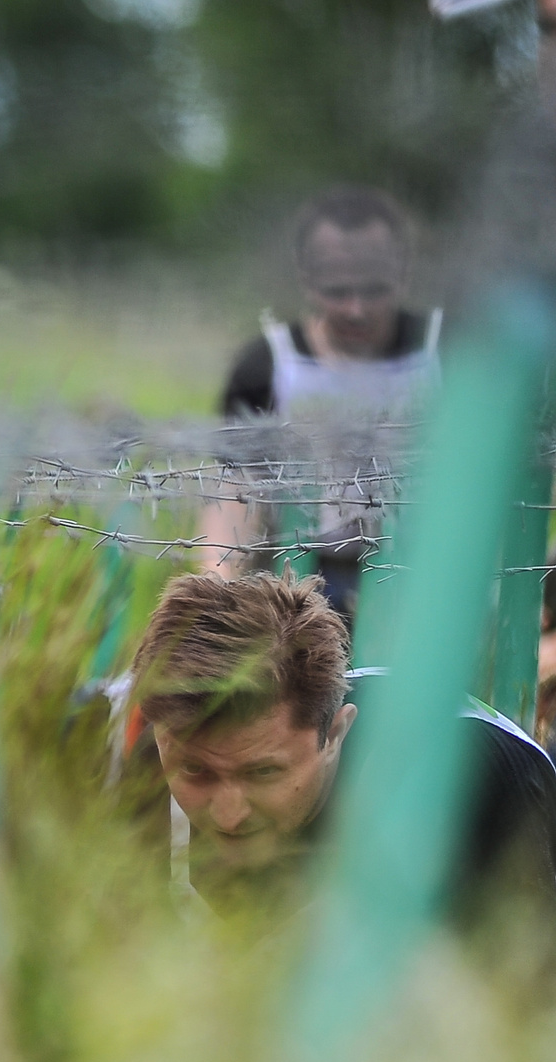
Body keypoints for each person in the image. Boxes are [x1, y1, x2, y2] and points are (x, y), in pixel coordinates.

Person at [128, 573, 556, 919]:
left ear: (335, 733)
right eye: (196, 772)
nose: (228, 814)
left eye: (262, 772)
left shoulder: (460, 775)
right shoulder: (162, 754)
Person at [199, 187, 442, 614]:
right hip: (300, 580)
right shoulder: (266, 365)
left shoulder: (452, 354)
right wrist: (217, 595)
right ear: (305, 276)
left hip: (430, 577)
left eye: (375, 289)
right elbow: (234, 493)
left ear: (404, 272)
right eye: (337, 289)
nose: (356, 309)